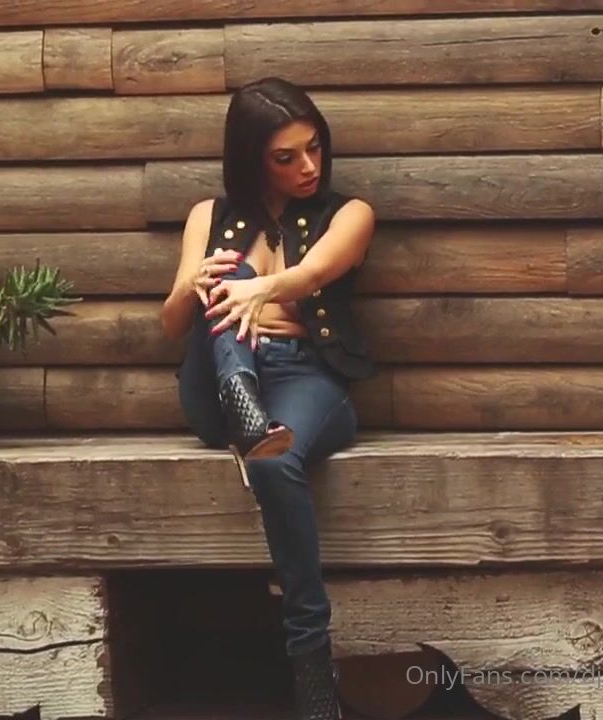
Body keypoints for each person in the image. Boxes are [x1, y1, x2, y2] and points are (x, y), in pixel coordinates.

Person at [159, 77, 378, 720]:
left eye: (314, 148)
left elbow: (312, 274)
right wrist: (194, 286)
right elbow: (172, 325)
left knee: (274, 459)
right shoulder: (208, 217)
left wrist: (259, 289)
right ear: (252, 157)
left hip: (304, 378)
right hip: (216, 381)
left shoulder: (350, 214)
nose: (308, 166)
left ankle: (310, 661)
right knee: (227, 272)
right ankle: (240, 396)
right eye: (286, 157)